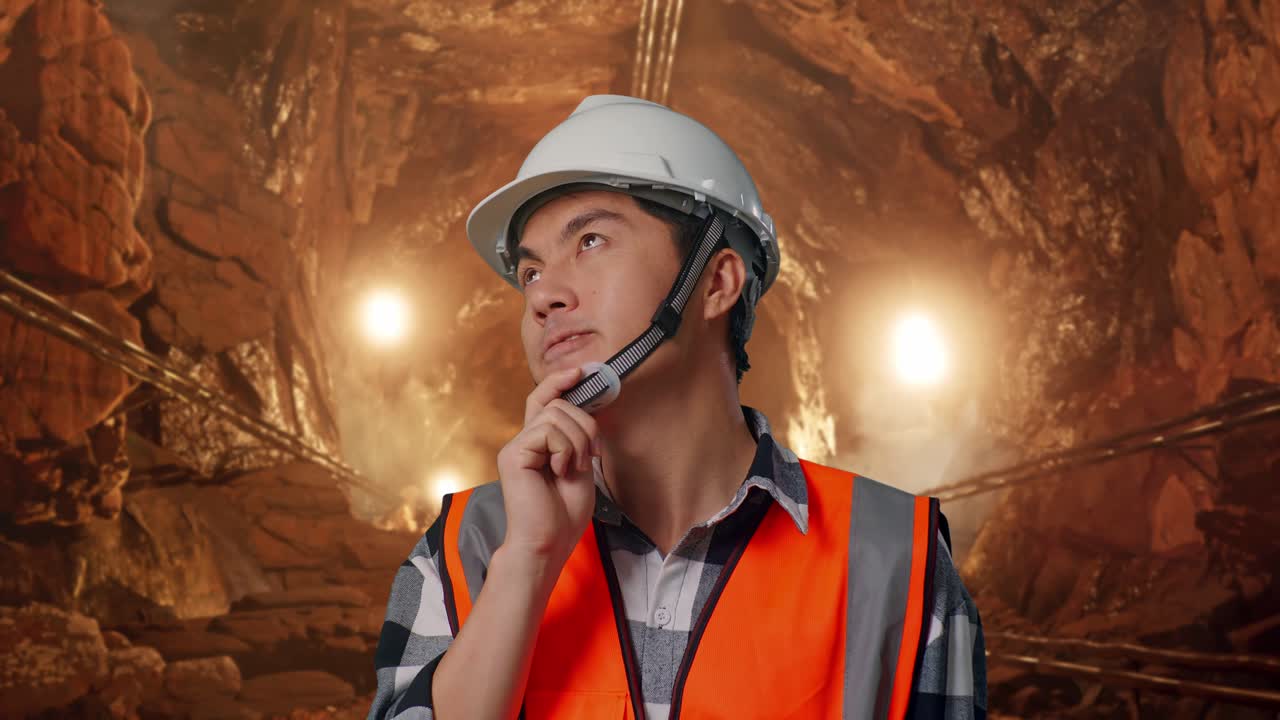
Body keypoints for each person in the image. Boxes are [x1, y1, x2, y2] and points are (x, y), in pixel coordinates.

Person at [369, 95, 987, 720]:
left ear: (716, 283)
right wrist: (526, 564)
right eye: (529, 273)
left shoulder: (892, 559)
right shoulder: (463, 549)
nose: (544, 296)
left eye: (590, 239)